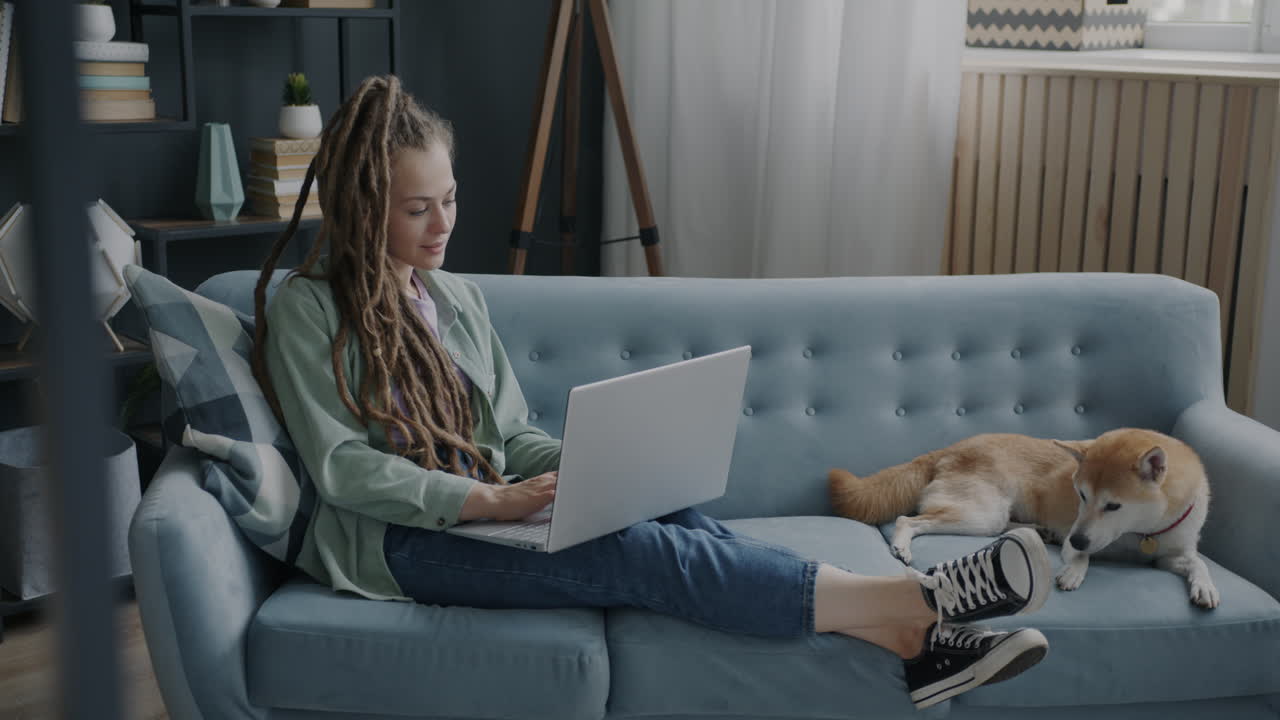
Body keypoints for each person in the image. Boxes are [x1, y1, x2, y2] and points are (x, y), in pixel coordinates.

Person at [249, 74, 1053, 711]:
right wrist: (487, 504)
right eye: (418, 208)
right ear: (360, 209)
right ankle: (923, 600)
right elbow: (344, 468)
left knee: (667, 519)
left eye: (450, 198)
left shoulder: (452, 298)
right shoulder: (308, 309)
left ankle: (917, 645)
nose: (443, 224)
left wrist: (594, 468)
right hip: (398, 544)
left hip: (491, 508)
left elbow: (510, 431)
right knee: (645, 557)